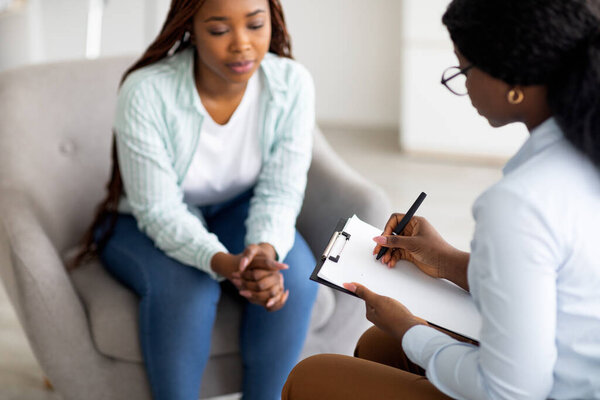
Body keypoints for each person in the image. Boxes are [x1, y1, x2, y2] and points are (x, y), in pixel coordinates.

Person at [282, 0, 600, 399]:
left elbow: (509, 392)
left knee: (312, 377)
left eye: (463, 68)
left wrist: (409, 329)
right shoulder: (581, 153)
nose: (462, 84)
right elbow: (557, 284)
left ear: (513, 81)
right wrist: (446, 260)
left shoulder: (521, 202)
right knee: (375, 347)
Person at [73, 0, 318, 399]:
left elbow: (281, 187)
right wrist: (225, 264)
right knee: (190, 293)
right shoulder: (147, 91)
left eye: (256, 25)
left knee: (292, 278)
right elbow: (159, 209)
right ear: (190, 29)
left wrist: (264, 250)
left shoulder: (292, 83)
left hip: (235, 207)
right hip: (140, 219)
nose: (242, 44)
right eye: (220, 30)